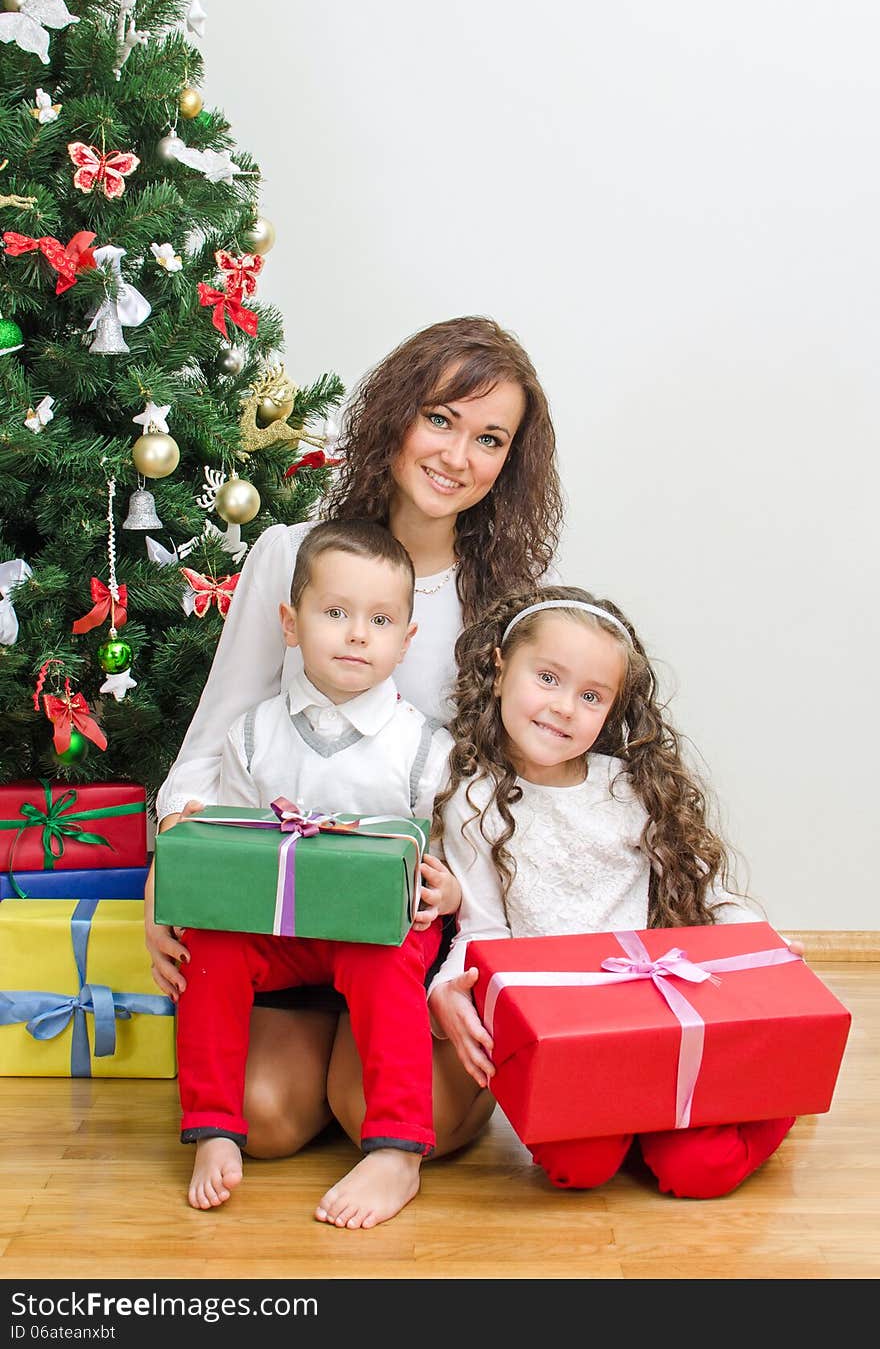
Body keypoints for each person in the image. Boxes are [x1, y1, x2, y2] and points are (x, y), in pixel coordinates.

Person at [146, 314, 563, 1165]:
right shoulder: (291, 553)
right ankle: (315, 1058)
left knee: (384, 1106)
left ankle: (376, 1080)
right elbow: (217, 736)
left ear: (510, 463)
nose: (455, 455)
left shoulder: (510, 603)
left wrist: (463, 906)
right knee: (259, 1120)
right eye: (440, 419)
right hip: (286, 904)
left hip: (412, 922)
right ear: (397, 417)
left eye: (489, 438)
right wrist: (174, 865)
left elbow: (511, 788)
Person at [428, 586, 798, 1199]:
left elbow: (704, 891)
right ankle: (640, 1126)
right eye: (547, 677)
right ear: (498, 671)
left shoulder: (629, 790)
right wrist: (447, 988)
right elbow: (483, 927)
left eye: (591, 696)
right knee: (579, 1168)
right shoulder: (475, 803)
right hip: (566, 1029)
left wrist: (766, 952)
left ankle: (774, 1099)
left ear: (612, 709)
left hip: (652, 1013)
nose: (564, 708)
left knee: (697, 1173)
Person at [173, 520, 460, 1226]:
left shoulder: (422, 747)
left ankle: (397, 1150)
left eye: (380, 620)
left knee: (384, 952)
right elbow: (231, 844)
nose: (357, 634)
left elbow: (454, 847)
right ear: (291, 623)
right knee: (214, 944)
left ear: (406, 640)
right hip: (283, 923)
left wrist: (448, 885)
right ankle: (213, 1125)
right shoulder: (254, 733)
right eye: (335, 613)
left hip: (378, 930)